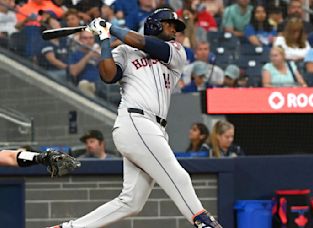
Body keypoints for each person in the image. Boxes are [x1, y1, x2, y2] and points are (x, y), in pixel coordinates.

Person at [49, 8, 222, 228]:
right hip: (135, 121)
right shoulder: (125, 51)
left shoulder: (176, 51)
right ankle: (203, 221)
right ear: (155, 25)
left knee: (131, 202)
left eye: (176, 27)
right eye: (169, 24)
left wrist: (109, 27)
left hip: (153, 128)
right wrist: (104, 39)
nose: (174, 30)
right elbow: (108, 75)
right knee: (179, 176)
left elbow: (142, 42)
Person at [68, 31, 101, 97]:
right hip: (86, 83)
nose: (89, 41)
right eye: (85, 38)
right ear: (80, 40)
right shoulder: (75, 54)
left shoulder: (99, 53)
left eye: (91, 38)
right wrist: (89, 56)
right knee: (83, 84)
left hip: (101, 83)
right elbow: (73, 72)